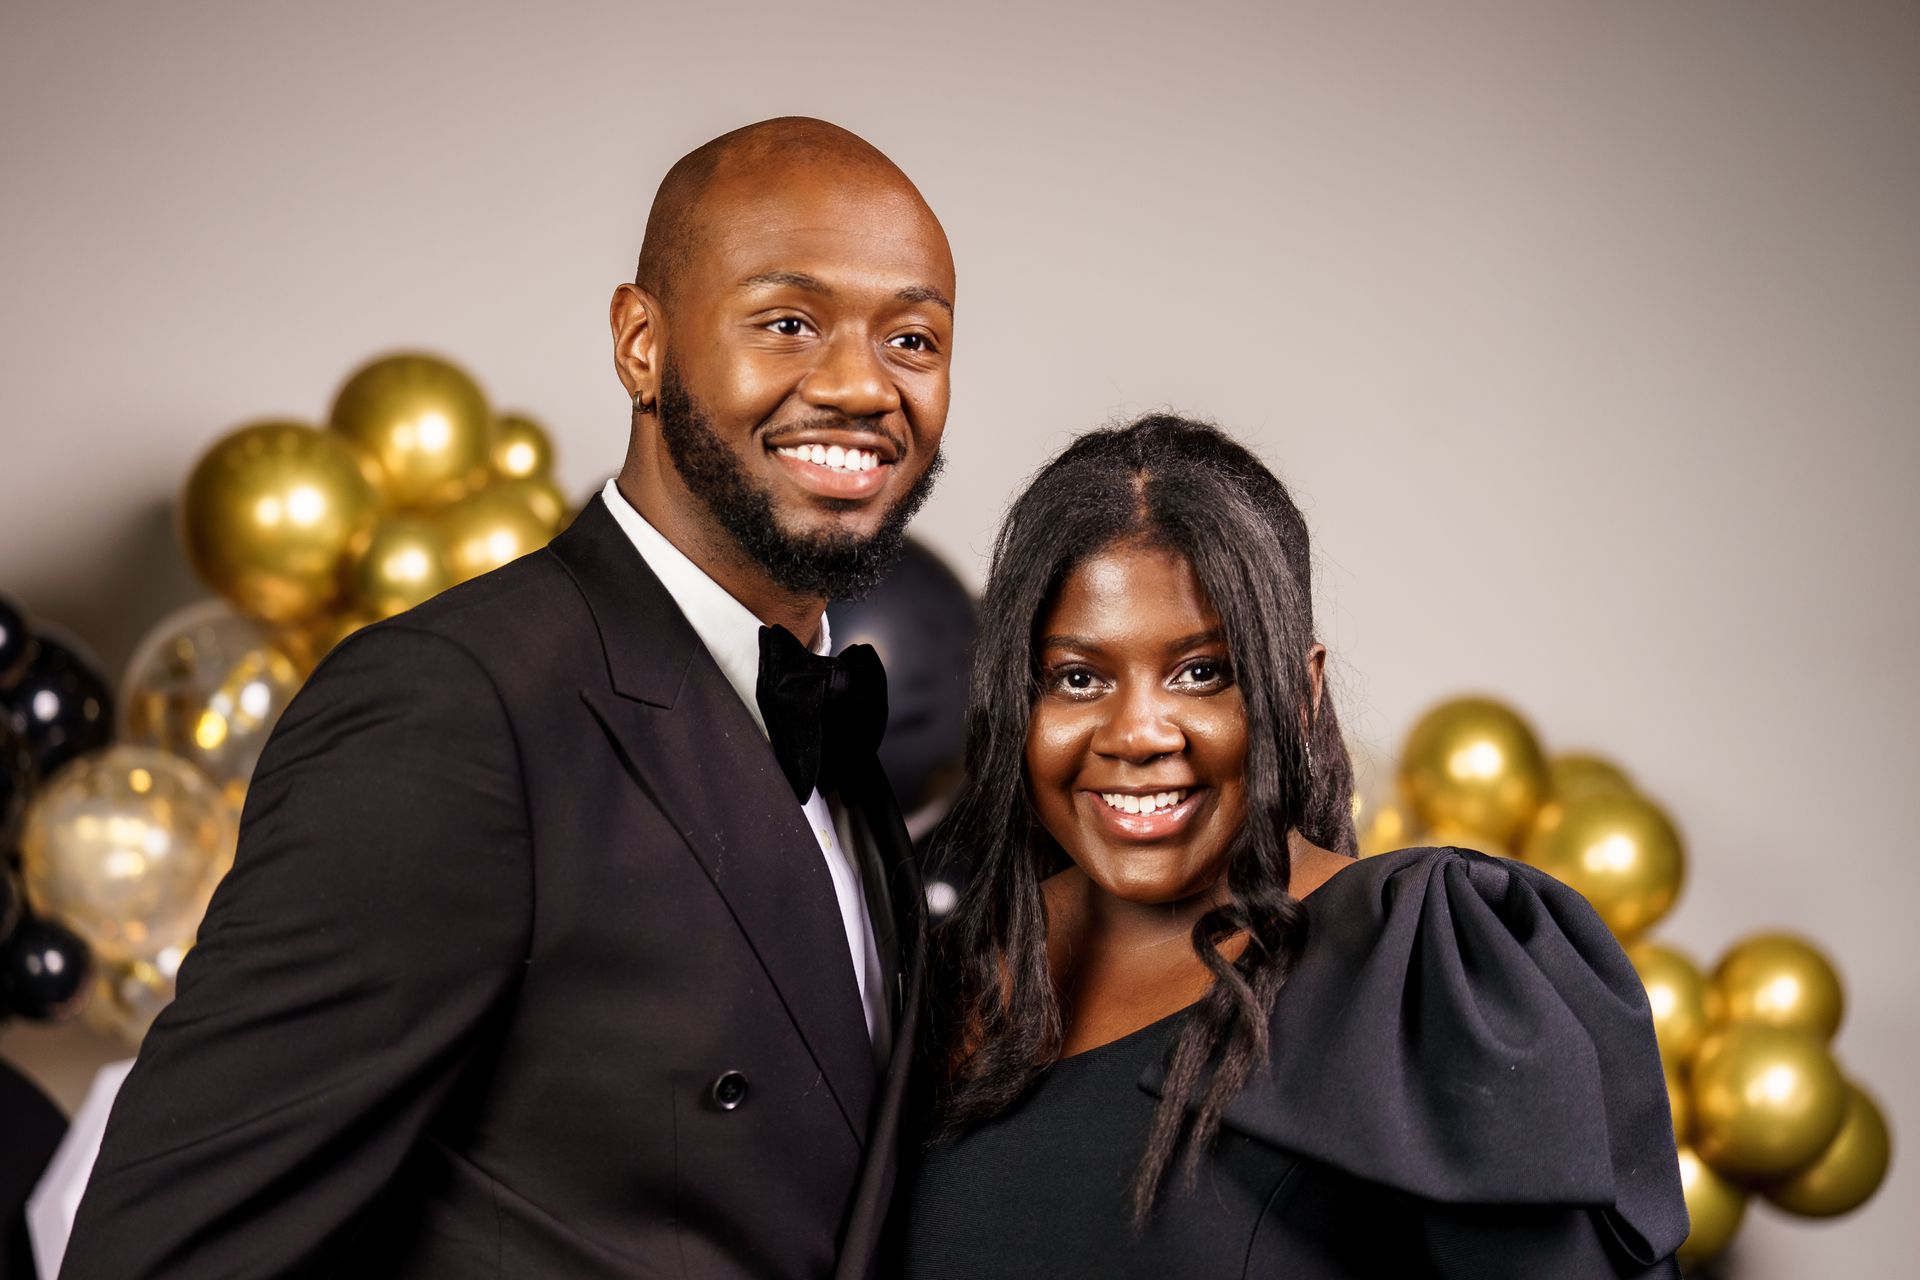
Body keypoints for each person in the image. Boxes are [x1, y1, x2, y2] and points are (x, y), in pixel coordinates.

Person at [64, 117, 955, 1279]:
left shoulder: (843, 742)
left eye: (913, 338)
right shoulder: (452, 710)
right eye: (788, 322)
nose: (858, 384)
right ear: (641, 342)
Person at [902, 415, 1688, 1278]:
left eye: (1203, 671)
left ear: (1301, 692)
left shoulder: (1422, 967)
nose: (1135, 734)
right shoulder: (942, 976)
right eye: (1078, 678)